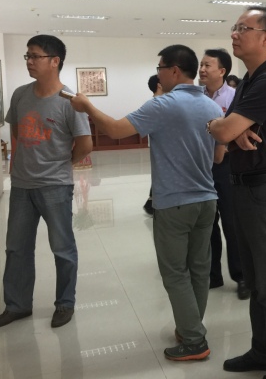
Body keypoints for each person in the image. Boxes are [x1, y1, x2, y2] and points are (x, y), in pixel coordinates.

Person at [70, 45, 224, 361]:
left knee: (175, 273)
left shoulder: (163, 104)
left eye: (160, 68)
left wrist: (87, 106)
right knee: (199, 269)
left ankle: (194, 340)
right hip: (207, 199)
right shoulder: (212, 106)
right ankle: (191, 327)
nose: (158, 74)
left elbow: (115, 130)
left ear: (174, 71)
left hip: (174, 203)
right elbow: (219, 155)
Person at [207, 6, 266, 379]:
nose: (234, 33)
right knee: (257, 281)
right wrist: (226, 127)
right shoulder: (249, 79)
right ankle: (262, 351)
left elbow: (224, 130)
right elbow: (228, 128)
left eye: (243, 28)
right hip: (245, 188)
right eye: (234, 27)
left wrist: (224, 127)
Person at [0, 35, 93, 329]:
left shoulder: (70, 102)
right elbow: (18, 134)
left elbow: (85, 144)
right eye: (28, 56)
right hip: (22, 186)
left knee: (62, 248)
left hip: (55, 186)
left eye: (35, 56)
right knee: (16, 248)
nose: (29, 61)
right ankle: (17, 305)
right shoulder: (20, 95)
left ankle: (65, 303)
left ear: (54, 61)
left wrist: (61, 164)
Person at [198, 48, 249, 300]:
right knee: (207, 223)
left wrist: (224, 147)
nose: (202, 70)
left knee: (231, 222)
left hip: (226, 166)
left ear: (222, 71)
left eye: (207, 65)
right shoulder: (196, 97)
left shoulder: (235, 97)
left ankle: (241, 276)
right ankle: (213, 274)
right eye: (201, 65)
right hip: (200, 166)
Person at [143, 74, 164, 216]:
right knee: (161, 174)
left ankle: (151, 202)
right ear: (159, 85)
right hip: (161, 146)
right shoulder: (157, 104)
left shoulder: (158, 102)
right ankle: (152, 203)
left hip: (160, 145)